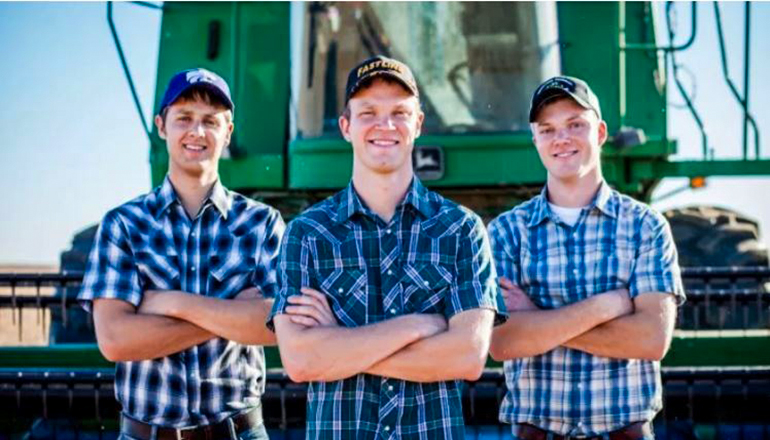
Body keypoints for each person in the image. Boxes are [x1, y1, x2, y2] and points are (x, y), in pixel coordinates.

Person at [267, 55, 507, 439]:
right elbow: (300, 361)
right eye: (368, 112)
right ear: (346, 126)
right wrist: (419, 326)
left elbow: (467, 357)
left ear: (418, 124)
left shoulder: (461, 230)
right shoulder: (306, 234)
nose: (385, 125)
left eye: (399, 111)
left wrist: (340, 347)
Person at [78, 68, 283, 439]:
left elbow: (275, 326)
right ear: (161, 126)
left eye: (210, 121)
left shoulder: (262, 223)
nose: (197, 132)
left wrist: (169, 302)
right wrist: (231, 313)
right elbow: (115, 340)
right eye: (184, 118)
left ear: (228, 132)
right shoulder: (123, 225)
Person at [488, 76, 685, 440]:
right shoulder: (506, 232)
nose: (561, 138)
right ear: (535, 140)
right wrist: (607, 305)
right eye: (547, 129)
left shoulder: (645, 226)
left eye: (575, 124)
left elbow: (651, 339)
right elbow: (504, 343)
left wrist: (538, 321)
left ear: (601, 131)